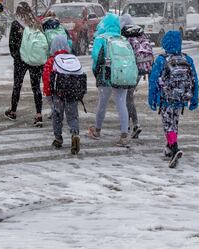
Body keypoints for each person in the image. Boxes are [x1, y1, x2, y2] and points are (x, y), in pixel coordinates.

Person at [148, 30, 199, 168]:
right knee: (174, 122)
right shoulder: (187, 59)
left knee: (167, 123)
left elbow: (153, 81)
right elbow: (195, 80)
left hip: (166, 98)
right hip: (181, 98)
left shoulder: (161, 59)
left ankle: (174, 147)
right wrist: (194, 98)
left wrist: (152, 98)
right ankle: (169, 147)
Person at [88, 13, 131, 147]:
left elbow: (96, 57)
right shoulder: (122, 38)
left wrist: (97, 73)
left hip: (105, 75)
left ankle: (97, 129)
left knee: (102, 102)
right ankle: (124, 134)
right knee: (121, 103)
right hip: (121, 74)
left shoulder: (101, 38)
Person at [5, 2, 45, 126]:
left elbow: (12, 44)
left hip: (21, 60)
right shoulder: (37, 23)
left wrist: (17, 57)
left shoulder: (17, 24)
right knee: (36, 87)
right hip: (36, 60)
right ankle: (38, 115)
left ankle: (13, 111)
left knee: (17, 85)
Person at [42, 35, 82, 154]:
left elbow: (46, 78)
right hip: (73, 93)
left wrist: (48, 93)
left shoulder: (51, 61)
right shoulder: (73, 59)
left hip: (57, 94)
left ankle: (58, 139)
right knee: (73, 115)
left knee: (57, 115)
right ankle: (75, 134)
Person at [120, 13, 148, 139]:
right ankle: (132, 124)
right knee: (129, 97)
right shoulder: (140, 32)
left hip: (129, 69)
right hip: (141, 68)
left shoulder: (123, 33)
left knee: (126, 97)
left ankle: (131, 125)